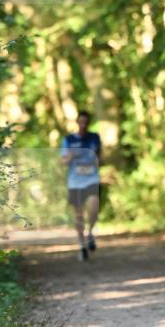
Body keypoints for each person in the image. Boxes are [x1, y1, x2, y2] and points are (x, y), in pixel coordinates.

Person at [60, 110, 101, 261]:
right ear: (77, 122)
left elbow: (99, 157)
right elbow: (63, 161)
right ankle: (82, 246)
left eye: (86, 122)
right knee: (78, 216)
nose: (83, 125)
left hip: (91, 180)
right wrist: (71, 155)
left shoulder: (94, 138)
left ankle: (90, 233)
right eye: (81, 122)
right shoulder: (68, 140)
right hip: (75, 182)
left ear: (88, 123)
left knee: (93, 209)